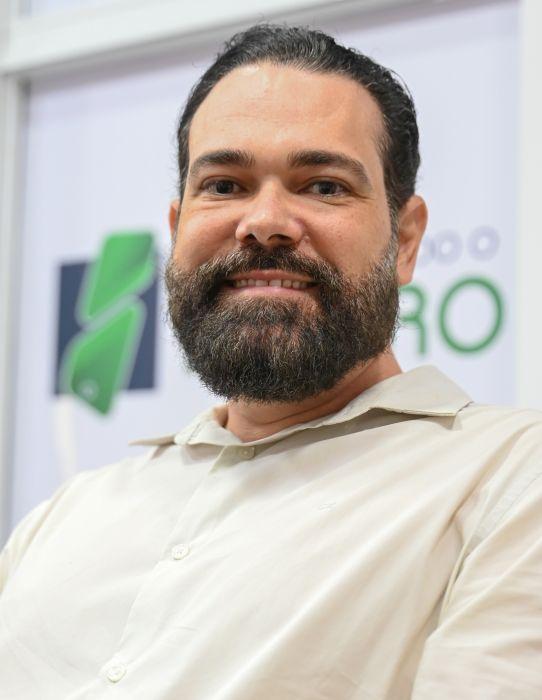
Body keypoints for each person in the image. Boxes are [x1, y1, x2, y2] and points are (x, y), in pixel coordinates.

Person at [1, 23, 541, 700]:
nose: (264, 221)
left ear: (405, 241)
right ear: (176, 229)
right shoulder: (65, 516)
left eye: (324, 186)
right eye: (224, 184)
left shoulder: (511, 482)